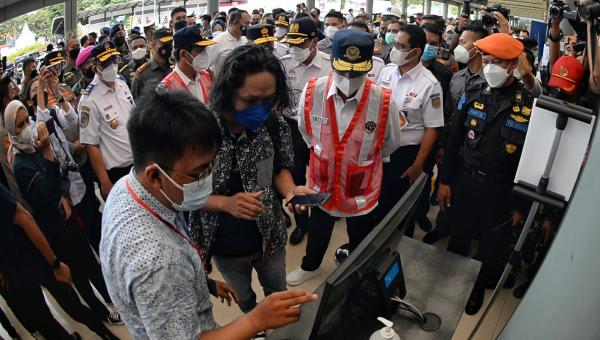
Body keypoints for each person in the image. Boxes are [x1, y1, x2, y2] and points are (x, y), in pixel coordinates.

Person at [101, 89, 317, 339]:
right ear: (155, 175)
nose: (209, 179)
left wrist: (203, 284)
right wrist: (256, 320)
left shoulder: (126, 188)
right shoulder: (160, 262)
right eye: (199, 172)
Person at [189, 45, 313, 335]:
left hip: (269, 236)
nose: (260, 108)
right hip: (225, 246)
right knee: (244, 296)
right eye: (250, 100)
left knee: (277, 291)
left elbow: (280, 168)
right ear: (228, 93)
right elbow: (182, 195)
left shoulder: (273, 124)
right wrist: (225, 203)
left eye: (268, 100)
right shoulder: (200, 132)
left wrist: (291, 191)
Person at [287, 29, 405, 286]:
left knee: (360, 232)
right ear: (332, 63)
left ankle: (358, 270)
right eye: (343, 70)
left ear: (368, 67)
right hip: (322, 180)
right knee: (319, 226)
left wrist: (362, 158)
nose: (349, 77)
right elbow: (306, 131)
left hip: (360, 184)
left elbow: (391, 142)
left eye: (357, 71)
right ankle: (311, 266)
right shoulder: (312, 92)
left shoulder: (383, 100)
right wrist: (326, 152)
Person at [3, 100, 121, 340]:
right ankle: (101, 315)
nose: (28, 126)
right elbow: (46, 198)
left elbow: (61, 177)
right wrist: (47, 154)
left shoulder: (33, 148)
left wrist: (64, 197)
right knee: (78, 278)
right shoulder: (21, 164)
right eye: (21, 124)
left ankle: (113, 301)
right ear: (11, 131)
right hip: (53, 232)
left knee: (90, 262)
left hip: (67, 220)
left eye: (28, 120)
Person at [438, 33, 535, 315]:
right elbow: (455, 139)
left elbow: (529, 161)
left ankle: (478, 287)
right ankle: (453, 283)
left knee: (491, 245)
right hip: (466, 180)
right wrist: (445, 181)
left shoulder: (528, 105)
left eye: (498, 62)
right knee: (460, 233)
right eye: (487, 61)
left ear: (512, 65)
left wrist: (520, 204)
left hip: (500, 189)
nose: (490, 67)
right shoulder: (474, 93)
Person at [424, 23, 489, 244]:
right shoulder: (457, 77)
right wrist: (442, 144)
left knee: (467, 194)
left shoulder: (490, 80)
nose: (458, 46)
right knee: (445, 183)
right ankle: (443, 225)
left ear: (478, 46)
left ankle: (464, 233)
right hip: (452, 145)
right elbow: (448, 113)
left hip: (475, 149)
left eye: (463, 42)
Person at [376, 24, 444, 233]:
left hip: (404, 155)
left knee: (400, 212)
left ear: (415, 52)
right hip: (379, 150)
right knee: (378, 205)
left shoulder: (429, 84)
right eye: (394, 43)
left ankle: (396, 249)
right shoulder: (386, 72)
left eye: (399, 45)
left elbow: (432, 128)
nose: (393, 48)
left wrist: (418, 165)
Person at [0, 181, 78, 340]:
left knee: (50, 317)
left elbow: (23, 217)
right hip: (12, 276)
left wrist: (54, 263)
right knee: (43, 323)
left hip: (24, 263)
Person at [279, 17, 332, 245]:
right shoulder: (285, 63)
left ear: (313, 41)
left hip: (323, 128)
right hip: (293, 128)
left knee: (324, 175)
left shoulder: (330, 65)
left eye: (299, 44)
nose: (294, 48)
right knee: (297, 175)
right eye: (291, 43)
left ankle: (325, 214)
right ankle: (303, 223)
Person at [79, 41, 134, 200]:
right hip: (118, 173)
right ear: (95, 68)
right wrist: (104, 181)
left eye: (114, 60)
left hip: (138, 161)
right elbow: (91, 145)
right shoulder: (88, 100)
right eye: (105, 63)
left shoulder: (121, 82)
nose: (112, 65)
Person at [158, 27, 214, 105]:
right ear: (183, 54)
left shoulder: (206, 76)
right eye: (199, 50)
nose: (205, 54)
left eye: (204, 49)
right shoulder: (166, 88)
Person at [131, 28, 174, 100]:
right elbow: (136, 103)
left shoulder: (176, 66)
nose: (168, 46)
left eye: (170, 42)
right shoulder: (142, 74)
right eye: (164, 43)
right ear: (153, 45)